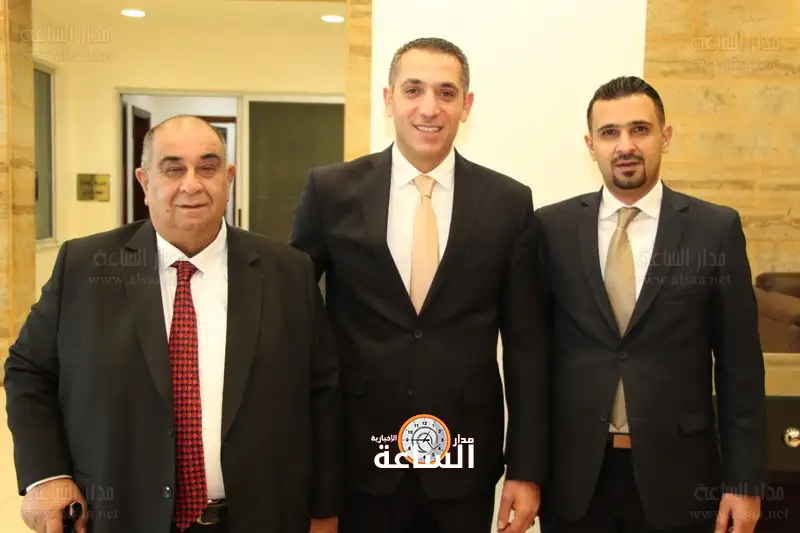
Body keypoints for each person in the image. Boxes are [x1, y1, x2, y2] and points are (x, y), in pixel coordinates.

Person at [4, 115, 343, 533]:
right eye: (173, 169)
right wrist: (46, 476)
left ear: (228, 178)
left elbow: (322, 394)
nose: (192, 184)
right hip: (121, 517)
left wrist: (324, 511)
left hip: (261, 516)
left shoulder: (287, 271)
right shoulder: (85, 267)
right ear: (145, 182)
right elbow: (28, 369)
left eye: (207, 167)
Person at [290, 37, 549, 533]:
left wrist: (526, 467)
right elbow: (293, 316)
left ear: (466, 105)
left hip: (463, 458)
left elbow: (527, 345)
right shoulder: (331, 191)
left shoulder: (508, 202)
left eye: (446, 93)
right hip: (358, 455)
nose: (429, 108)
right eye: (413, 90)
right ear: (389, 100)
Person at [534, 76, 767, 533]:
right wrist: (527, 470)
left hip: (681, 479)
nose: (625, 145)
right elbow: (532, 357)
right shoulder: (550, 228)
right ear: (591, 145)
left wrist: (744, 483)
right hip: (574, 481)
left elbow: (740, 367)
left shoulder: (714, 229)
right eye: (609, 133)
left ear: (665, 136)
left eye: (639, 129)